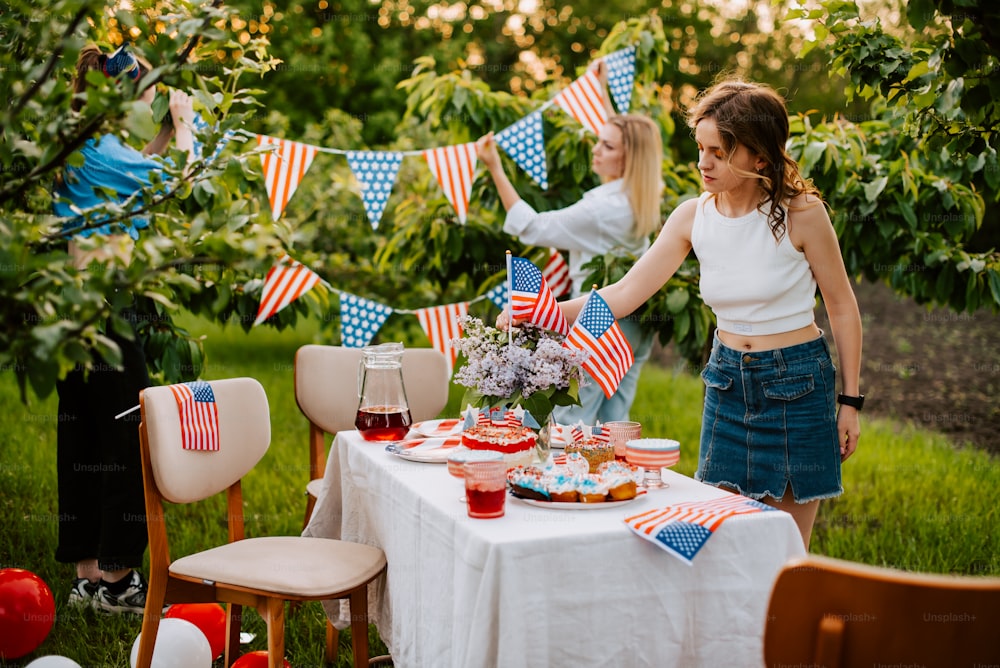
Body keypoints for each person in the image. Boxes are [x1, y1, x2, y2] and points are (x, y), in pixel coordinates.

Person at [503, 79, 863, 549]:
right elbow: (626, 292)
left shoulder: (803, 214)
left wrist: (850, 402)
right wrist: (538, 315)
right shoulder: (693, 216)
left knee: (785, 552)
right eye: (701, 147)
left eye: (718, 151)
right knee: (719, 541)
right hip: (727, 383)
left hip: (797, 385)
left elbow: (841, 305)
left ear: (759, 155)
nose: (703, 163)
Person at [53, 43, 196, 614]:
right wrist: (183, 125)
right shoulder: (101, 149)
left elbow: (132, 175)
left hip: (66, 309)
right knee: (128, 435)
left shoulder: (84, 148)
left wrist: (158, 139)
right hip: (106, 310)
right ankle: (118, 579)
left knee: (83, 435)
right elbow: (180, 179)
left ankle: (88, 574)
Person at [476, 60, 663, 425]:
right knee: (614, 422)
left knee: (572, 419)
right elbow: (630, 141)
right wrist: (606, 95)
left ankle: (565, 481)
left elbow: (530, 227)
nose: (595, 149)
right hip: (638, 322)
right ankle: (611, 480)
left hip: (598, 317)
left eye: (606, 146)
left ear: (627, 158)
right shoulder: (645, 192)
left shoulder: (600, 209)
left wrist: (495, 167)